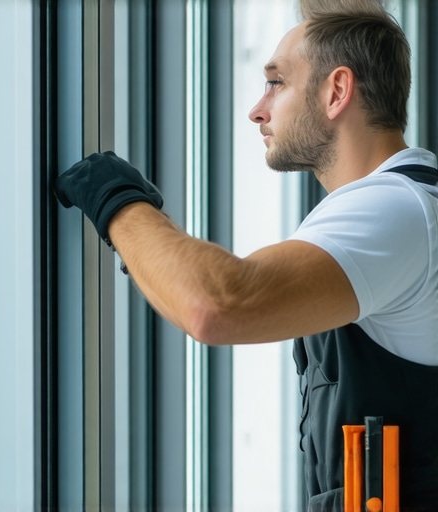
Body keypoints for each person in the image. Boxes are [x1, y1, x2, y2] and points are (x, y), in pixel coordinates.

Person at [54, 1, 438, 510]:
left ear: (337, 91)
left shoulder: (393, 209)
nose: (257, 108)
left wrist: (116, 200)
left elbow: (217, 304)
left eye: (277, 83)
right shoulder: (402, 202)